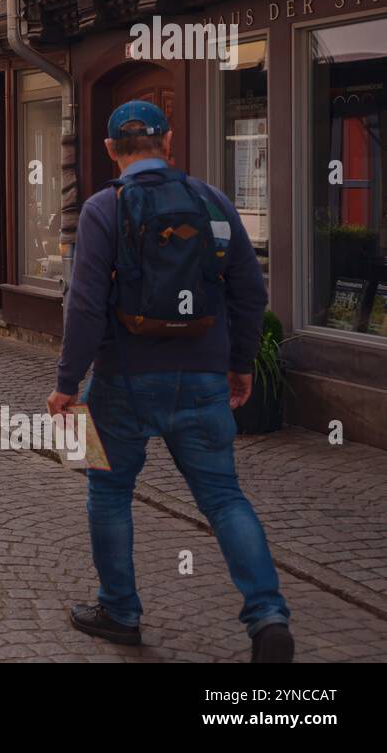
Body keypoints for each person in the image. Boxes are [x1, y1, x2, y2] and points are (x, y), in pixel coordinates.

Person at [48, 101, 291, 663]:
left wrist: (66, 383)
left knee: (106, 491)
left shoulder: (102, 207)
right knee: (225, 497)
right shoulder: (214, 201)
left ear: (111, 150)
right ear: (169, 142)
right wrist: (240, 363)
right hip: (203, 378)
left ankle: (120, 611)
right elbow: (250, 293)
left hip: (117, 381)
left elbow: (84, 306)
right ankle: (268, 615)